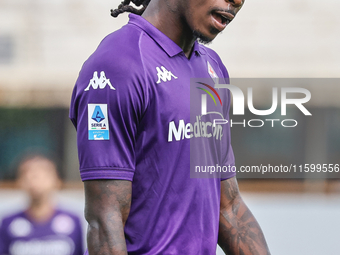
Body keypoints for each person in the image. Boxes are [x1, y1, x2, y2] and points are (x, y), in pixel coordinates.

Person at [70, 0, 271, 254]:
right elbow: (105, 221)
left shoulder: (212, 69)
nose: (238, 1)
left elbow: (227, 206)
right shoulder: (118, 66)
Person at [0, 154, 84, 255]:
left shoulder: (73, 220)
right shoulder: (8, 222)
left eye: (42, 173)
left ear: (57, 180)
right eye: (28, 173)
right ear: (19, 181)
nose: (34, 179)